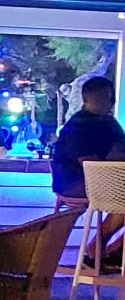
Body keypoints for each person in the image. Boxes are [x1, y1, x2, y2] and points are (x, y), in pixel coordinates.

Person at [52, 76, 125, 269]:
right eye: (102, 97)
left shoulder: (109, 122)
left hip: (107, 180)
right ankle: (98, 249)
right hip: (75, 182)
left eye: (109, 97)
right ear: (86, 99)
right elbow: (90, 164)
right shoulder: (78, 126)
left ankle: (113, 252)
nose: (107, 102)